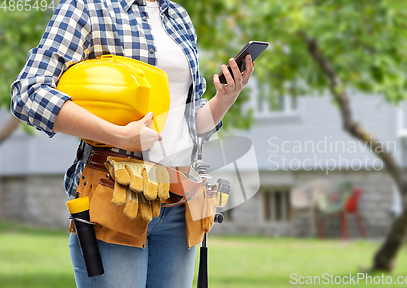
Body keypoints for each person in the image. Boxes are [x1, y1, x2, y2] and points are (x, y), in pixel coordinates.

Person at [10, 0, 255, 286]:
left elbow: (189, 125)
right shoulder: (87, 7)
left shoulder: (177, 15)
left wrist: (224, 100)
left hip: (178, 200)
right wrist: (117, 135)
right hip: (116, 197)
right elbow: (28, 93)